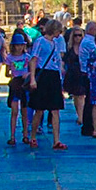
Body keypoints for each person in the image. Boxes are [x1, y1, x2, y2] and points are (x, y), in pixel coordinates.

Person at [29, 19, 67, 150]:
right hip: (43, 75)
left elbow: (57, 61)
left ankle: (56, 140)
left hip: (54, 76)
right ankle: (32, 136)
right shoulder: (40, 41)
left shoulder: (56, 43)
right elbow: (34, 59)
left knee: (55, 109)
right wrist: (33, 78)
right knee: (39, 109)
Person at [5, 29, 32, 146]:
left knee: (24, 111)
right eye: (17, 45)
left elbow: (32, 70)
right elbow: (7, 73)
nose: (19, 47)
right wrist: (12, 73)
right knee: (14, 111)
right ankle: (12, 136)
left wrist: (28, 75)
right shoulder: (9, 57)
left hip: (24, 84)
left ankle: (25, 135)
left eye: (21, 45)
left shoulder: (27, 57)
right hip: (15, 83)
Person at [71, 21, 96, 136]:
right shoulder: (89, 42)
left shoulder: (86, 41)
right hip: (87, 74)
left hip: (86, 73)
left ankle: (91, 125)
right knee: (89, 101)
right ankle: (88, 126)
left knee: (89, 100)